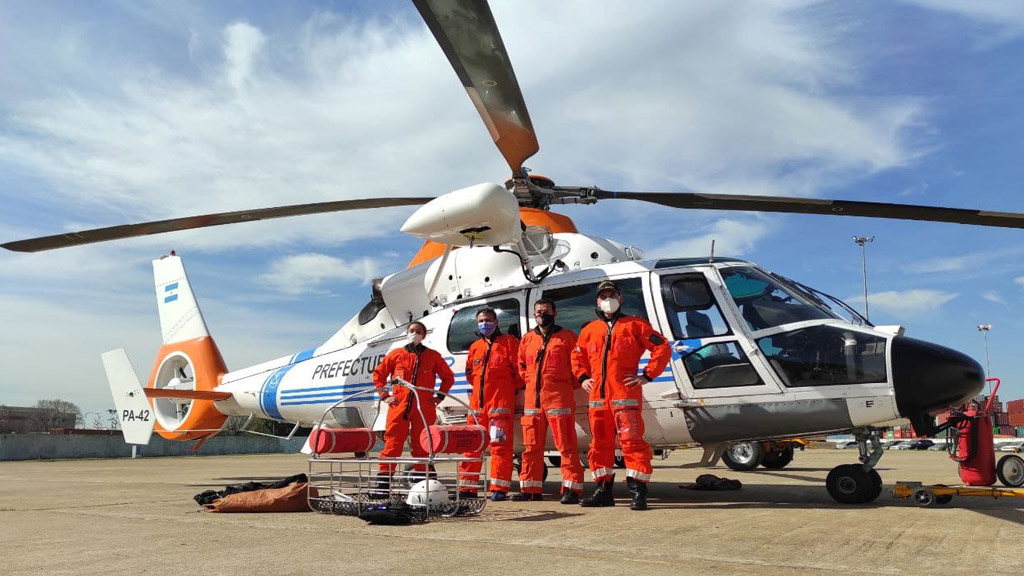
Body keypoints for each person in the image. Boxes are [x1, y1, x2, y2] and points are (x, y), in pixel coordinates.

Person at [572, 280, 671, 510]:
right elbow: (577, 357)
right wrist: (583, 378)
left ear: (620, 298)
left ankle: (638, 491)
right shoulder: (589, 330)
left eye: (612, 295)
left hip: (625, 395)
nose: (608, 299)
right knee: (599, 445)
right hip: (598, 398)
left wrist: (647, 375)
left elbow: (662, 347)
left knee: (633, 443)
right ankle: (603, 490)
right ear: (597, 301)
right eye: (603, 295)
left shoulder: (636, 325)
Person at [514, 298, 585, 504]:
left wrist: (560, 385)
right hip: (532, 402)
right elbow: (522, 368)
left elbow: (577, 368)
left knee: (566, 446)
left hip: (559, 399)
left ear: (554, 313)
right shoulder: (527, 339)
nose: (541, 315)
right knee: (531, 447)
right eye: (538, 312)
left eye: (545, 311)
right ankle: (530, 489)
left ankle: (571, 488)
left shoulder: (567, 338)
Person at [372, 321, 455, 496]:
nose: (414, 333)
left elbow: (448, 377)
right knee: (392, 444)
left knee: (423, 445)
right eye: (411, 330)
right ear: (406, 333)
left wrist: (439, 396)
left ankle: (424, 484)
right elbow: (378, 375)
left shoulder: (433, 356)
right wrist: (385, 396)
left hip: (423, 407)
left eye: (418, 331)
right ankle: (383, 485)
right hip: (398, 407)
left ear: (424, 335)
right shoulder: (396, 355)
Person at [458, 307, 522, 501]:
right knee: (471, 446)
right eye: (481, 320)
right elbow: (471, 374)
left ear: (496, 322)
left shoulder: (509, 343)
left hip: (500, 408)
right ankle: (467, 488)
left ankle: (499, 488)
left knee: (499, 447)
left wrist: (506, 390)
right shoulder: (475, 347)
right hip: (477, 408)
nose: (484, 323)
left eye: (487, 320)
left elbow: (519, 374)